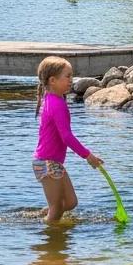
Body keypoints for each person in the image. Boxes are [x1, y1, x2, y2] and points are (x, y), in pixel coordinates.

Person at [33, 56, 103, 223]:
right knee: (57, 210)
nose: (71, 80)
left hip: (52, 162)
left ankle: (43, 215)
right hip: (47, 162)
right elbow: (66, 137)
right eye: (68, 76)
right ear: (52, 80)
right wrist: (88, 156)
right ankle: (48, 242)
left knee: (70, 203)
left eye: (72, 75)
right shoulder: (56, 104)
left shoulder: (54, 99)